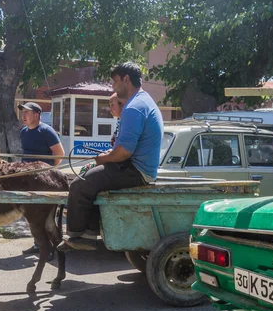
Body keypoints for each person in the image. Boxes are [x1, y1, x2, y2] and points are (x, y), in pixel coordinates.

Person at [59, 62, 164, 251]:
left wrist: (103, 158)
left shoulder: (134, 108)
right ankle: (89, 234)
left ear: (126, 79)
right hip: (134, 167)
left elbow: (124, 152)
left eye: (115, 81)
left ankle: (76, 235)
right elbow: (123, 148)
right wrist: (106, 155)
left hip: (135, 171)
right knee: (91, 177)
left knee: (79, 184)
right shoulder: (143, 101)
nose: (113, 86)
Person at [18, 101, 66, 255]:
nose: (23, 116)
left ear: (36, 115)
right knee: (32, 215)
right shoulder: (24, 132)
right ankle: (38, 244)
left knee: (46, 218)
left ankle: (52, 248)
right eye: (22, 112)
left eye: (27, 112)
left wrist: (49, 172)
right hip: (28, 181)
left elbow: (59, 154)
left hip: (44, 182)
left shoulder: (46, 131)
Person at [78, 92, 125, 177]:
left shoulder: (127, 123)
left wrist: (106, 156)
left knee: (86, 171)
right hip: (114, 159)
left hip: (121, 165)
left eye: (112, 105)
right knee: (84, 169)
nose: (109, 109)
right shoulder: (120, 122)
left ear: (122, 105)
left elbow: (124, 149)